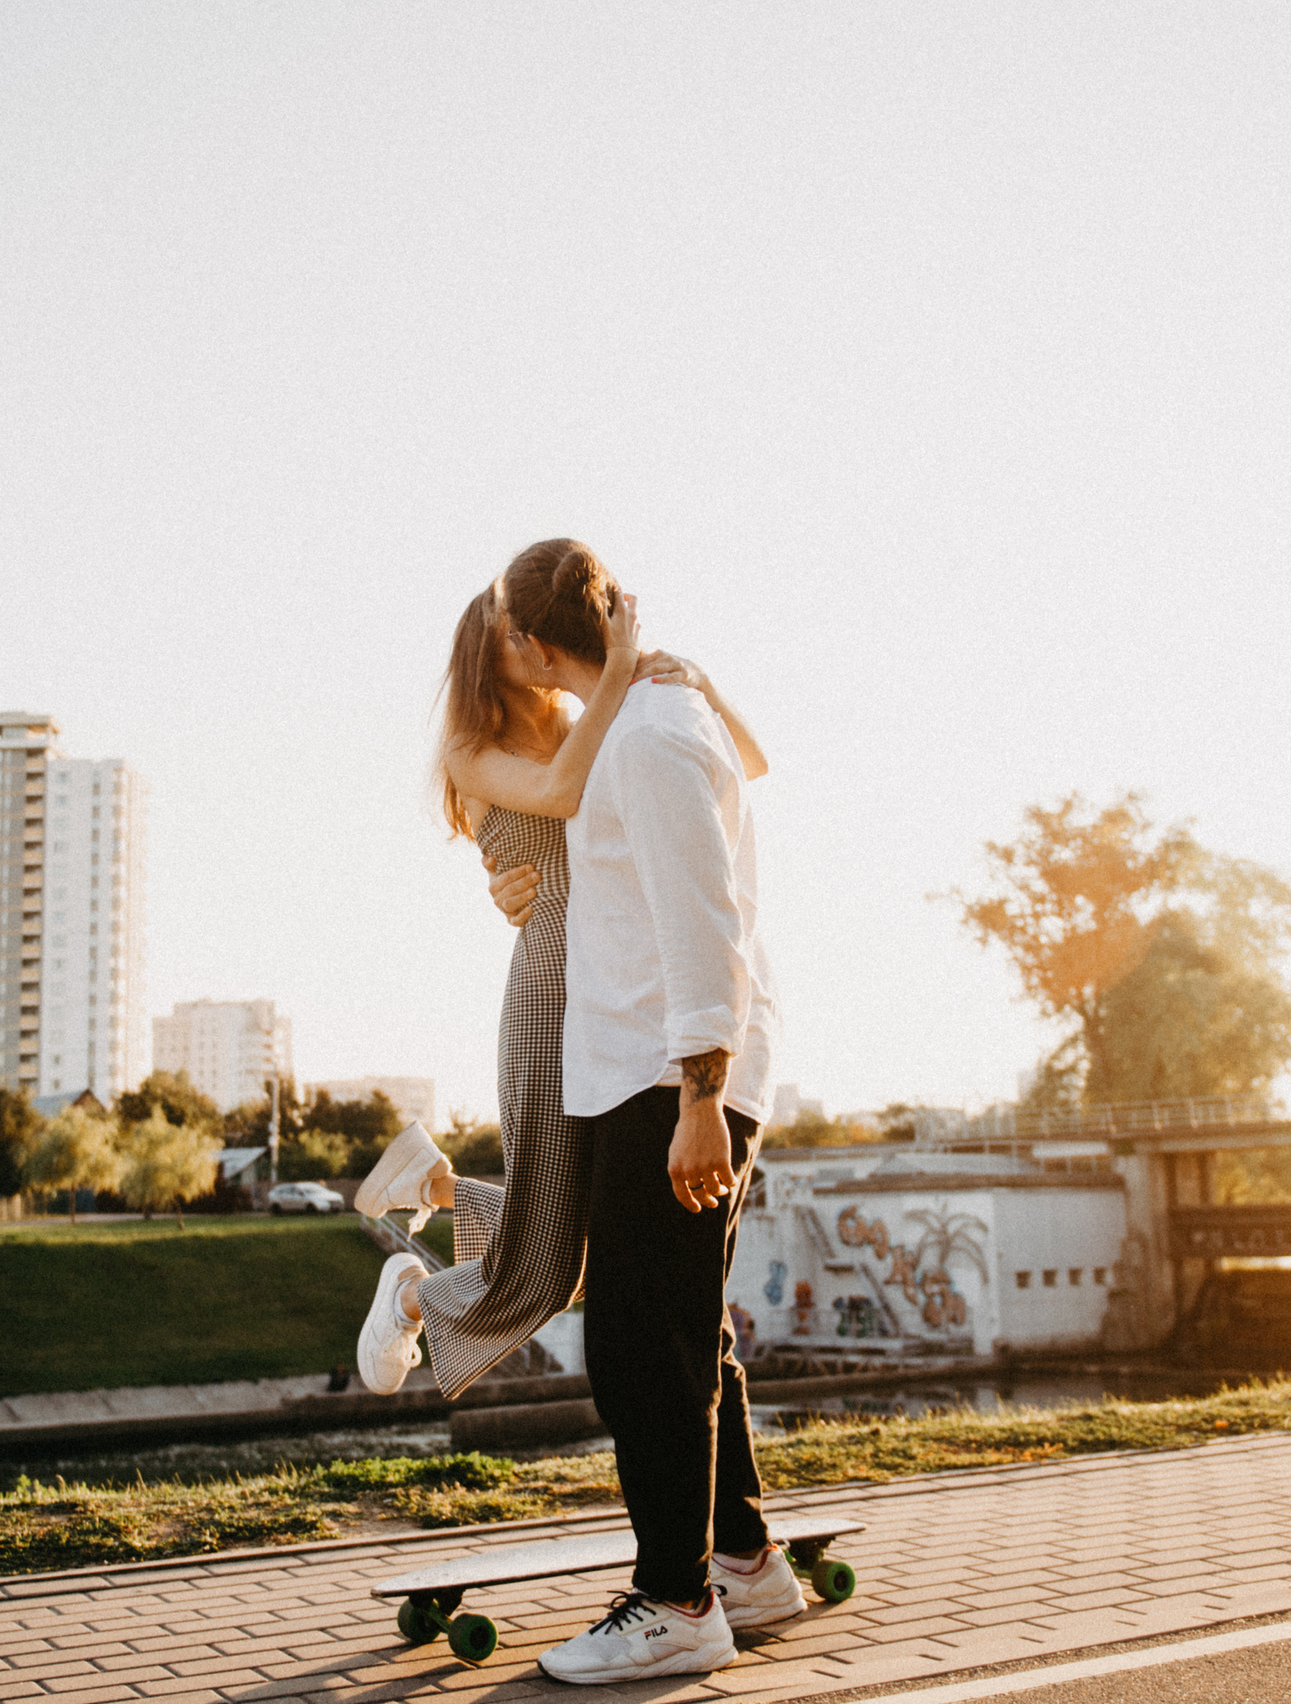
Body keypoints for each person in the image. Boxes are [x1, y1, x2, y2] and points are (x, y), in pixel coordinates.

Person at [352, 543, 765, 1407]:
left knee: (589, 1245)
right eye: (513, 637)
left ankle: (430, 1184)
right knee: (550, 1267)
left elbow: (748, 764)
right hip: (552, 993)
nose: (535, 647)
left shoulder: (597, 717)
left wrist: (695, 680)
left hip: (614, 994)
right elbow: (566, 793)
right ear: (492, 654)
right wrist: (618, 668)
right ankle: (411, 1290)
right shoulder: (476, 751)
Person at [488, 544, 791, 1685]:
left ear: (528, 639)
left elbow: (704, 919)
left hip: (670, 1077)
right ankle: (746, 1562)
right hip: (646, 1070)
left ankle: (676, 1602)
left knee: (638, 1346)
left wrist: (701, 1098)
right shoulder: (644, 718)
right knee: (681, 1330)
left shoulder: (652, 734)